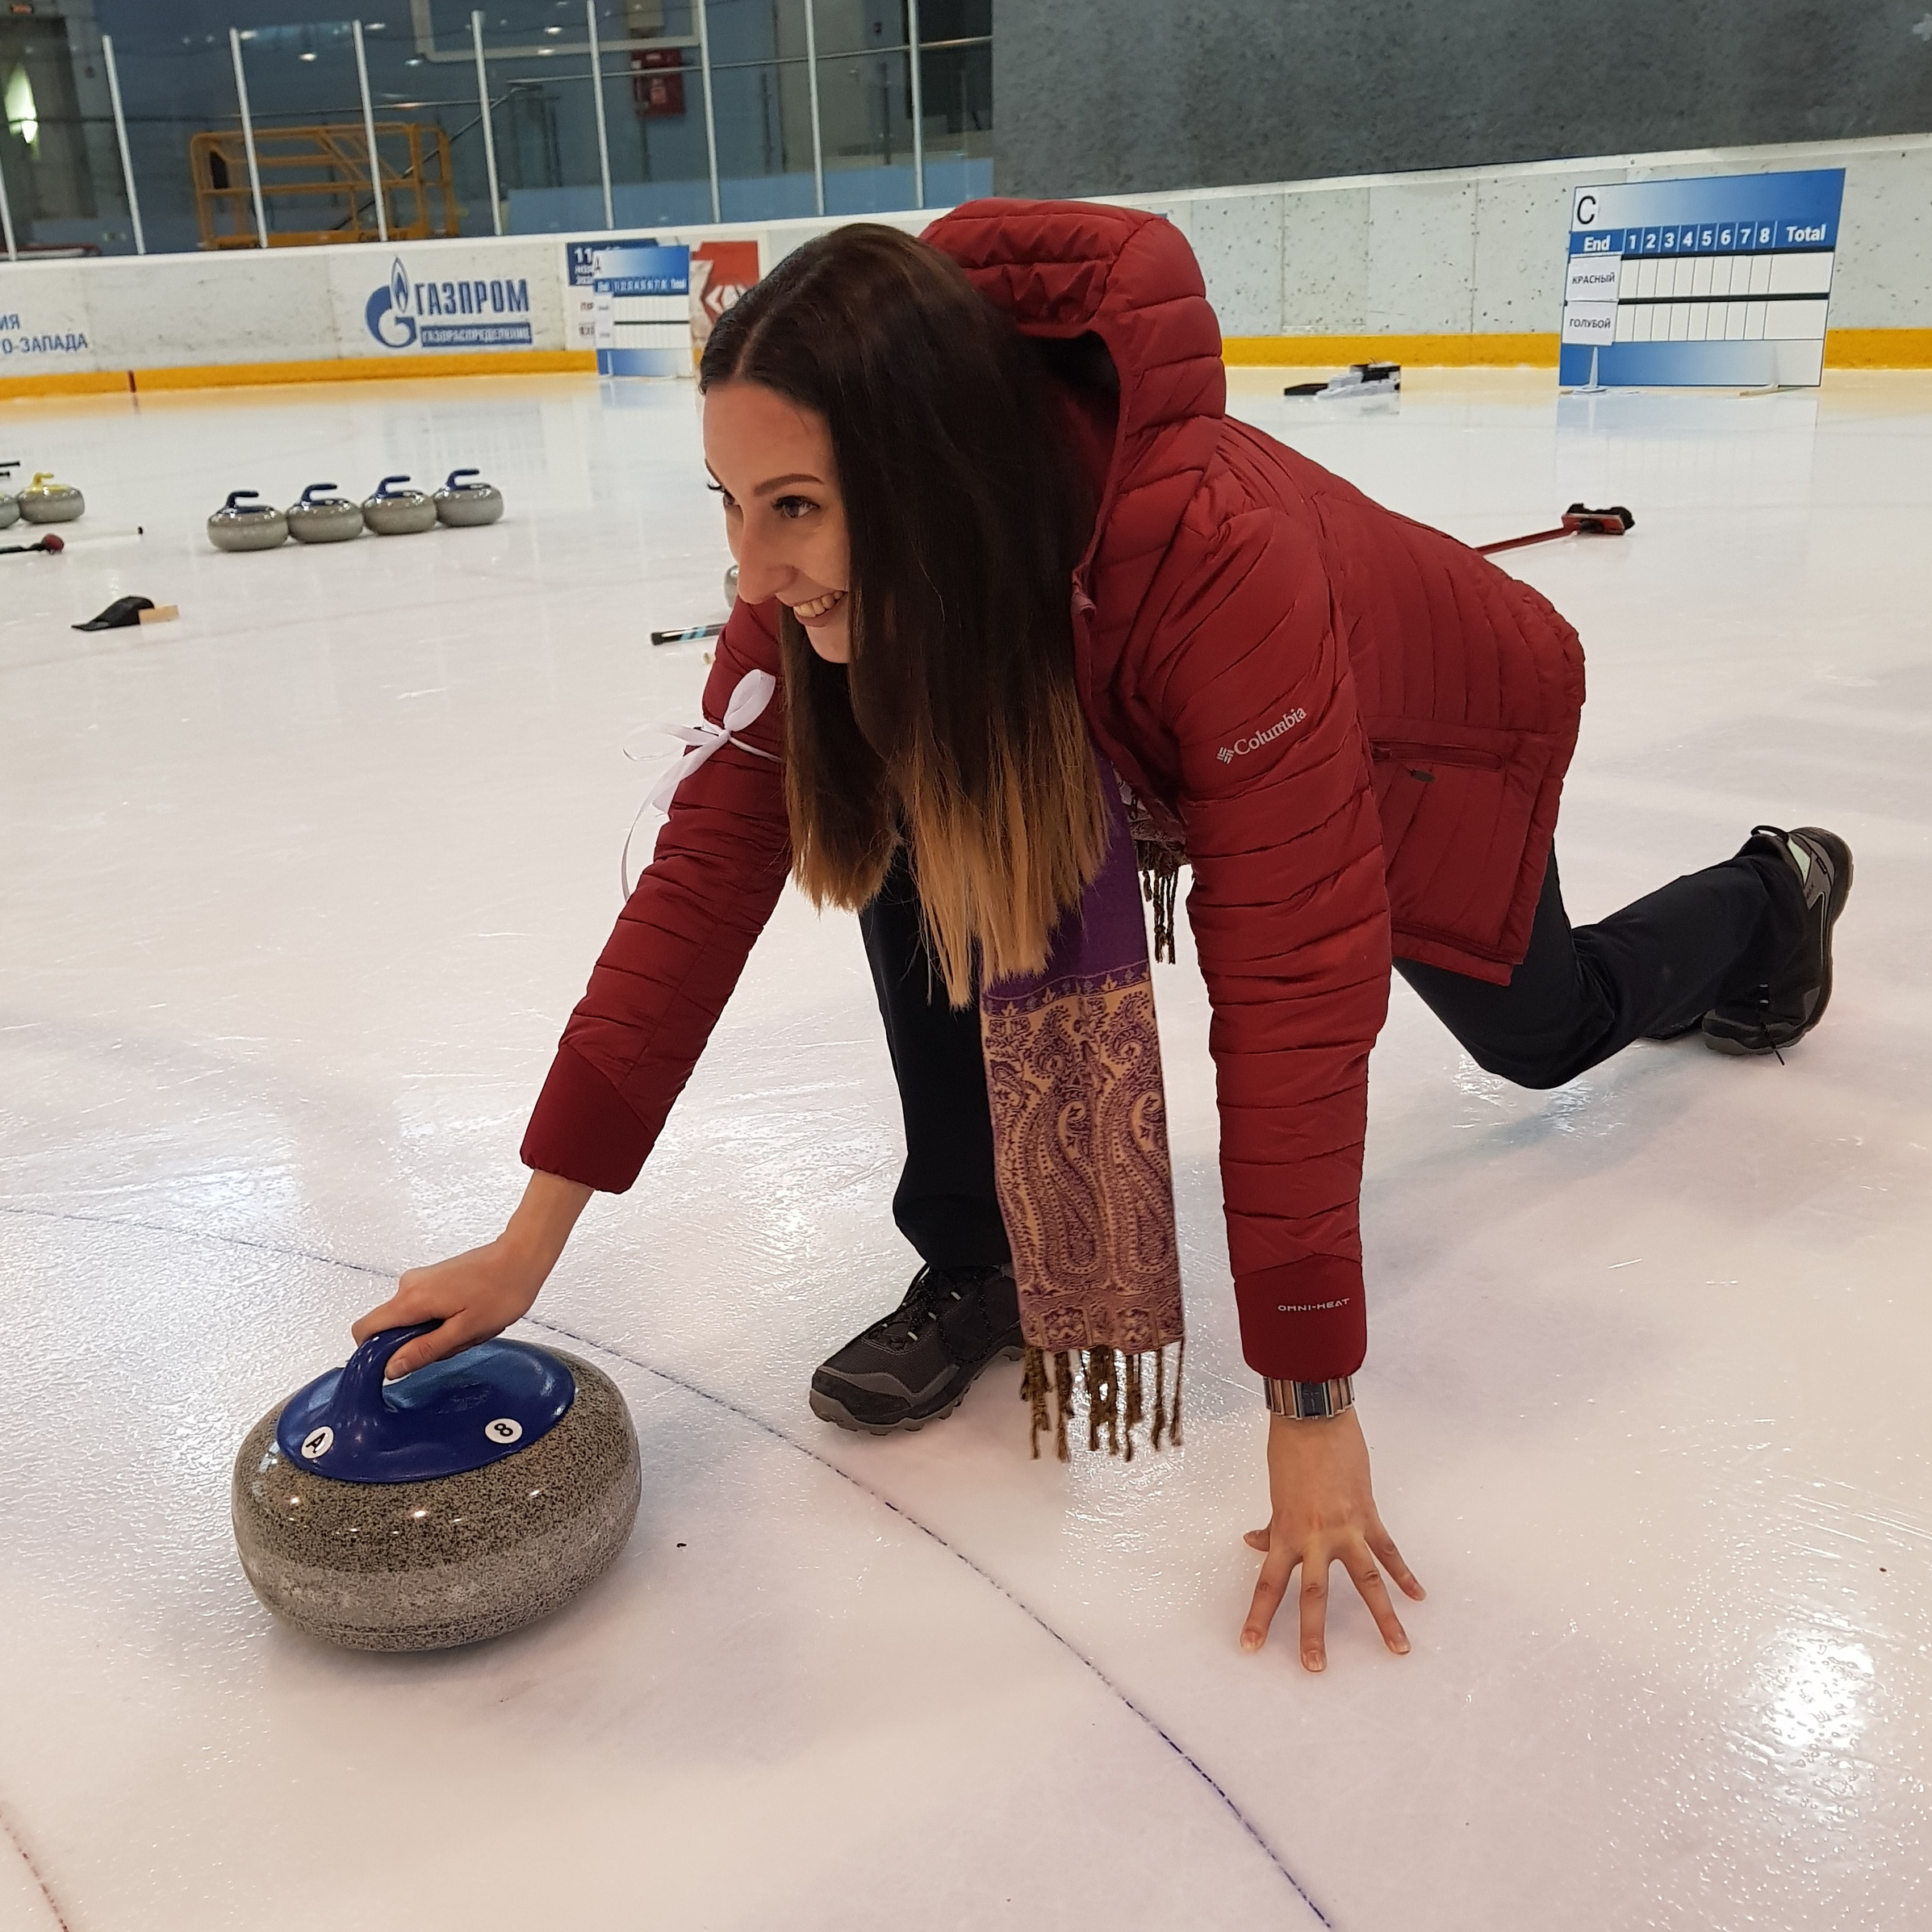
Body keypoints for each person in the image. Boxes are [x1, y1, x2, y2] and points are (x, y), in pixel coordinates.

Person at [354, 203, 1851, 1672]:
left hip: (1421, 738)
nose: (751, 572)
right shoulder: (831, 587)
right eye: (728, 504)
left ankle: (1769, 894)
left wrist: (1310, 1402)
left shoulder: (1215, 563)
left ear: (927, 479)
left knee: (1542, 1031)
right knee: (904, 819)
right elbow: (698, 884)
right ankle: (980, 1257)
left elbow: (1292, 986)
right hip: (1120, 735)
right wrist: (529, 1241)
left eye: (793, 506)